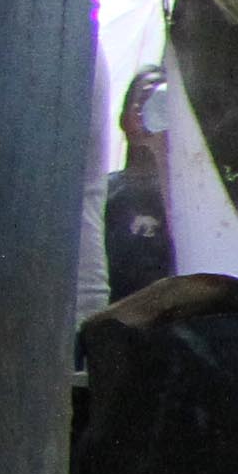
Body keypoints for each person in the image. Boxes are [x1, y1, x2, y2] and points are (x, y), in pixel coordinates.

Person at [99, 69, 176, 302]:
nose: (147, 112)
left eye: (159, 102)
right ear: (124, 119)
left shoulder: (183, 199)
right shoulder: (104, 192)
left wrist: (160, 148)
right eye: (142, 100)